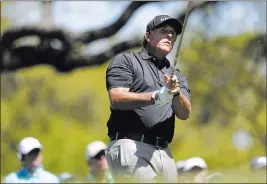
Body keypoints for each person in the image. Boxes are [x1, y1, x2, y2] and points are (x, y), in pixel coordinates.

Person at [105, 14, 191, 183]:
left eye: (173, 33)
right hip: (131, 145)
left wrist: (175, 91)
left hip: (164, 152)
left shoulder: (177, 76)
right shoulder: (127, 60)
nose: (169, 36)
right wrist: (156, 96)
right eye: (163, 31)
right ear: (148, 35)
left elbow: (184, 113)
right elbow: (116, 98)